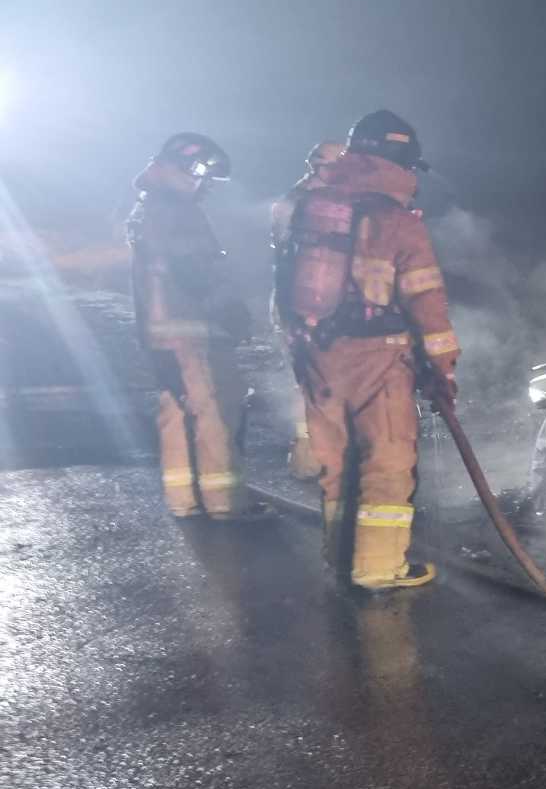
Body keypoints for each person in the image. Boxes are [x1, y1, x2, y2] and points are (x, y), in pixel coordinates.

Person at [276, 110, 459, 589]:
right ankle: (378, 568)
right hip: (379, 357)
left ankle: (339, 556)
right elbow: (427, 302)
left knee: (336, 461)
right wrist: (443, 368)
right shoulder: (397, 220)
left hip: (319, 352)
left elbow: (283, 282)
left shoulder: (309, 206)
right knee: (387, 461)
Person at [127, 132, 262, 519]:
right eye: (201, 176)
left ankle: (184, 499)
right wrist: (233, 313)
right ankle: (226, 503)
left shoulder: (148, 207)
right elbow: (199, 272)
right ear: (186, 168)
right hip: (194, 331)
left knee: (176, 412)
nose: (204, 185)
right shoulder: (179, 212)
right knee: (216, 412)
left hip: (161, 332)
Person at [270, 140, 346, 478]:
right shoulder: (311, 203)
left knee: (310, 377)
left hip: (300, 302)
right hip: (311, 304)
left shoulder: (295, 199)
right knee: (316, 377)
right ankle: (314, 458)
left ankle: (311, 457)